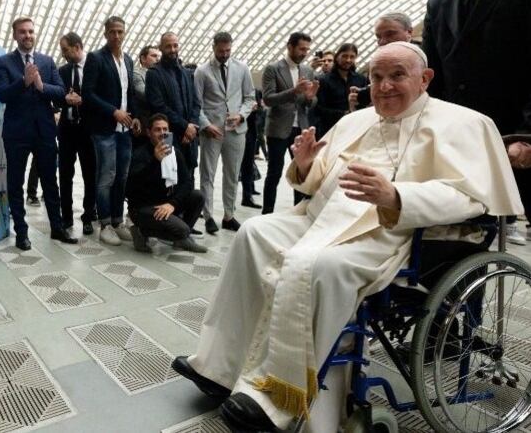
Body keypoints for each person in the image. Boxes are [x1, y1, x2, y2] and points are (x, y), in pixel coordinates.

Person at [172, 42, 523, 432]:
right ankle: (220, 366)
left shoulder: (463, 124)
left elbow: (469, 196)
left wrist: (396, 195)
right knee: (254, 232)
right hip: (322, 218)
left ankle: (275, 397)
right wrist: (304, 166)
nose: (384, 86)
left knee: (321, 265)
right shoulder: (356, 120)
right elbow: (318, 177)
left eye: (396, 76)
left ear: (425, 79)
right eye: (376, 77)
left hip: (393, 232)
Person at [423, 0, 531, 241]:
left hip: (519, 144)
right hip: (462, 153)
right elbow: (433, 82)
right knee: (458, 244)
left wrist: (528, 136)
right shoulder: (439, 4)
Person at [0, 16, 77, 250]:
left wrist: (41, 86)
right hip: (16, 133)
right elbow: (2, 94)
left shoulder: (47, 61)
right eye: (22, 32)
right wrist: (24, 81)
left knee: (50, 182)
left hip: (44, 132)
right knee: (16, 183)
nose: (27, 35)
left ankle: (57, 228)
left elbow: (61, 91)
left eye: (31, 31)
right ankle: (21, 232)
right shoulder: (4, 62)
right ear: (15, 35)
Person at [82, 16, 140, 246]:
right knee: (106, 177)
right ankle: (105, 224)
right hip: (105, 128)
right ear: (105, 34)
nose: (117, 36)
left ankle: (117, 220)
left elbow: (129, 94)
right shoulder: (96, 58)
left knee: (122, 177)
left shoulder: (127, 60)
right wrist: (113, 111)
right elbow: (88, 94)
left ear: (125, 33)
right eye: (112, 32)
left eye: (120, 32)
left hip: (124, 130)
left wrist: (133, 116)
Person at [194, 32, 255, 234]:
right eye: (221, 51)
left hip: (236, 130)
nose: (224, 54)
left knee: (232, 174)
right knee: (207, 174)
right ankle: (209, 216)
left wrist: (242, 115)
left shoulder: (242, 68)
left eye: (228, 50)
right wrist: (205, 125)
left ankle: (229, 216)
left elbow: (250, 98)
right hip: (211, 131)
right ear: (213, 47)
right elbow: (196, 104)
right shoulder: (202, 71)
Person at [126, 114, 206, 253]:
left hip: (165, 203)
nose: (162, 133)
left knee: (198, 196)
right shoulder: (141, 154)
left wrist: (172, 203)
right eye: (157, 130)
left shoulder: (174, 152)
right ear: (148, 132)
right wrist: (155, 161)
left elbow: (187, 182)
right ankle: (141, 231)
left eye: (165, 129)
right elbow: (131, 189)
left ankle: (180, 239)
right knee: (183, 229)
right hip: (144, 208)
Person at [260, 32, 318, 214]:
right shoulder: (273, 69)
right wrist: (294, 90)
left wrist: (309, 98)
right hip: (278, 128)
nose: (304, 53)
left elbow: (309, 102)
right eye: (301, 49)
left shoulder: (308, 71)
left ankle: (297, 212)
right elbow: (268, 99)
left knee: (300, 173)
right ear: (290, 46)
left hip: (300, 128)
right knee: (274, 173)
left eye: (307, 50)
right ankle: (267, 212)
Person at [146, 32, 202, 192]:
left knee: (189, 176)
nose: (172, 49)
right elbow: (158, 106)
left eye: (175, 45)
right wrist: (185, 127)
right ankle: (173, 213)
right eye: (168, 46)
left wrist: (192, 126)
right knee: (170, 178)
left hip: (189, 136)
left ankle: (187, 215)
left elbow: (196, 103)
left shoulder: (186, 73)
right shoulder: (154, 74)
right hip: (169, 135)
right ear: (161, 48)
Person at [57, 32, 97, 235]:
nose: (63, 54)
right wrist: (65, 98)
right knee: (65, 174)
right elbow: (56, 100)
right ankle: (66, 217)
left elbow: (101, 96)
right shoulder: (62, 71)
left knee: (91, 175)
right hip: (67, 130)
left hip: (88, 130)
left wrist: (83, 101)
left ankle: (89, 216)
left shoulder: (94, 66)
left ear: (77, 47)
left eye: (65, 50)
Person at [349, 13, 415, 112]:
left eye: (390, 34)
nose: (383, 42)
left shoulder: (428, 58)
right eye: (378, 37)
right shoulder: (376, 65)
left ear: (409, 32)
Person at [314, 43, 368, 138]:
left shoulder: (361, 79)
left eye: (352, 57)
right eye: (344, 56)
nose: (348, 60)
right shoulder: (323, 80)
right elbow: (318, 108)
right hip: (330, 129)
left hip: (355, 128)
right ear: (337, 57)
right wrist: (344, 114)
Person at [239, 89, 263, 208]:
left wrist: (256, 108)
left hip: (250, 131)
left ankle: (247, 196)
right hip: (235, 129)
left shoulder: (256, 91)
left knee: (248, 164)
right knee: (232, 167)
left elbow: (260, 108)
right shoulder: (234, 89)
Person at [132, 45, 160, 129]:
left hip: (162, 120)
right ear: (143, 59)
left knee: (166, 141)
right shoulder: (136, 73)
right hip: (147, 122)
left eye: (159, 56)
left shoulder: (161, 75)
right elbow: (145, 94)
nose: (158, 59)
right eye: (154, 56)